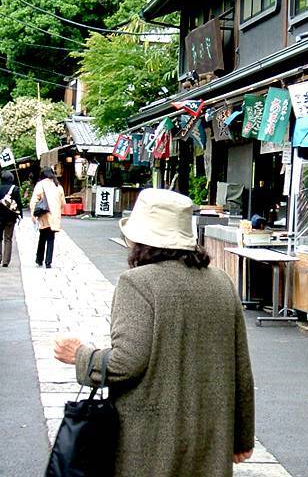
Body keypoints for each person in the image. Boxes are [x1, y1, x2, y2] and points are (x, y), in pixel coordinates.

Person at [54, 188, 255, 477]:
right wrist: (242, 437)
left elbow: (126, 363)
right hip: (209, 441)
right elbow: (241, 370)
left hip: (149, 446)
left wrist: (80, 356)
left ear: (140, 239)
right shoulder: (222, 283)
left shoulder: (137, 283)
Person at [30, 167, 65, 269]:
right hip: (54, 215)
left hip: (44, 215)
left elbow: (34, 200)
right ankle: (48, 262)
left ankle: (39, 259)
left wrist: (33, 214)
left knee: (42, 237)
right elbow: (63, 203)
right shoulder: (58, 185)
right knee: (51, 238)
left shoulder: (40, 184)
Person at [0, 170, 23, 267]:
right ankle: (5, 261)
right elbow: (19, 203)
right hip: (10, 217)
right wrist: (20, 214)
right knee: (8, 239)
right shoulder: (15, 189)